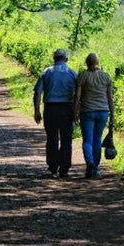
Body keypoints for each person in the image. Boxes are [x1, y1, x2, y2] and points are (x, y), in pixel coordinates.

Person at [33, 48, 77, 178]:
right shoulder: (72, 73)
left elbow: (37, 93)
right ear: (66, 59)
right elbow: (78, 94)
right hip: (66, 108)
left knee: (52, 138)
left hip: (50, 108)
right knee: (66, 139)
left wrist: (36, 110)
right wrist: (76, 110)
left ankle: (53, 167)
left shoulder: (46, 72)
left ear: (54, 58)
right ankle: (64, 168)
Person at [73, 53, 115, 179]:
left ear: (86, 62)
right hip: (103, 111)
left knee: (87, 140)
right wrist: (112, 114)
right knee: (97, 140)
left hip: (87, 111)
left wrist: (75, 111)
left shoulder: (83, 76)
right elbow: (110, 98)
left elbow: (78, 96)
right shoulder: (106, 76)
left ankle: (89, 162)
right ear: (98, 62)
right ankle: (95, 169)